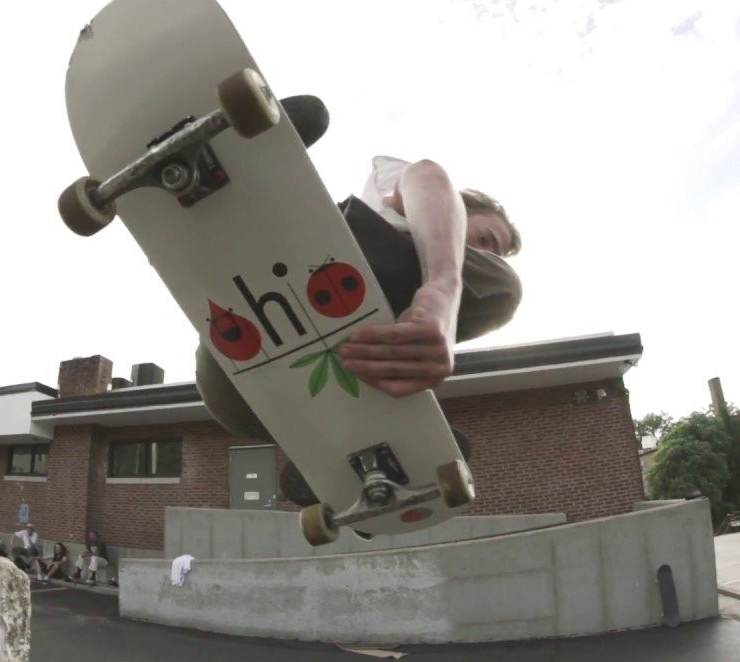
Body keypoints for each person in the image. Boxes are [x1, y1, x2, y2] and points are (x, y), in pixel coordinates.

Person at [194, 96, 523, 504]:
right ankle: (237, 178)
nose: (486, 257)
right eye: (487, 240)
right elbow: (426, 173)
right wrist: (441, 289)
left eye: (494, 254)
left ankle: (340, 448)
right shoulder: (406, 197)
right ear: (462, 208)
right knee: (503, 287)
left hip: (239, 402)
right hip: (260, 329)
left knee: (430, 337)